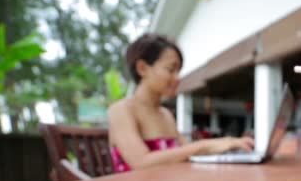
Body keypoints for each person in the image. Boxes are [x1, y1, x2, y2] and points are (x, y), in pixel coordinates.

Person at [108, 33, 254, 172]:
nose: (177, 78)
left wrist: (229, 145)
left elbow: (187, 153)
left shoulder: (165, 114)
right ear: (143, 68)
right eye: (171, 69)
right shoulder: (121, 110)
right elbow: (141, 163)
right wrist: (206, 145)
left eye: (178, 71)